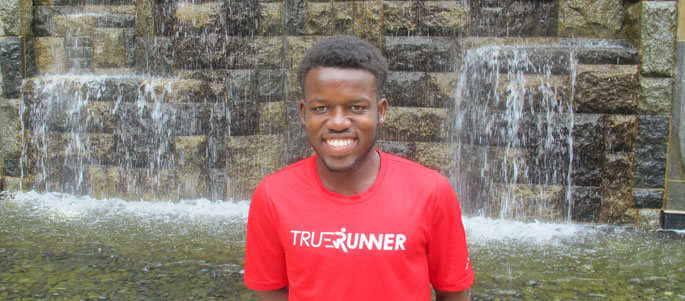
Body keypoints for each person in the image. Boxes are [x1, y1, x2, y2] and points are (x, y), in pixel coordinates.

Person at [243, 35, 473, 300]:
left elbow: (453, 292)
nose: (338, 122)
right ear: (303, 112)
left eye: (356, 107)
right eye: (321, 108)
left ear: (381, 110)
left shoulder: (431, 191)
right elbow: (271, 290)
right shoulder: (272, 195)